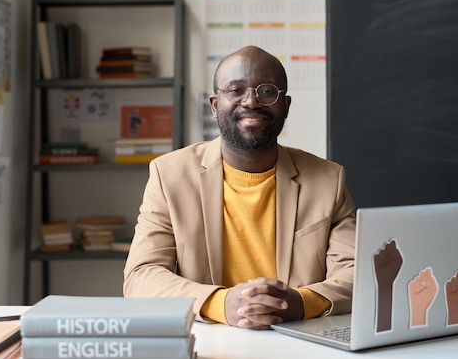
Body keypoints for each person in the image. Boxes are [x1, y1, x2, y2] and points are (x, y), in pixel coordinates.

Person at [123, 45, 356, 330]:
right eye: (235, 90)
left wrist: (300, 303)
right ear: (214, 104)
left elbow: (356, 274)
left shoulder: (328, 180)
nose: (251, 102)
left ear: (286, 105)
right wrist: (219, 303)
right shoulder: (169, 175)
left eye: (267, 91)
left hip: (301, 339)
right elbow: (141, 276)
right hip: (209, 339)